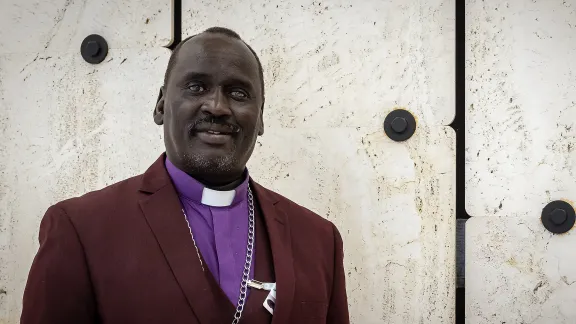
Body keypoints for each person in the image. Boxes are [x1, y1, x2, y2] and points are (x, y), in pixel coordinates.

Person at [20, 27, 349, 324]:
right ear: (161, 105)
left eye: (238, 93)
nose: (217, 107)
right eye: (196, 87)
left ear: (260, 117)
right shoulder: (80, 227)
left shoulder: (319, 239)